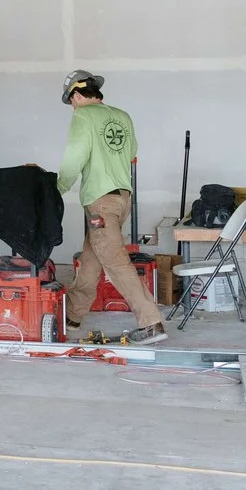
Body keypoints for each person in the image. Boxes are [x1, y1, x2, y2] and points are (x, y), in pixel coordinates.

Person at [54, 70, 165, 339]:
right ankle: (73, 316)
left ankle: (151, 322)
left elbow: (75, 156)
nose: (72, 106)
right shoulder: (122, 116)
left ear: (77, 95)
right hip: (122, 198)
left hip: (101, 202)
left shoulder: (83, 116)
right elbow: (132, 152)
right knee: (91, 259)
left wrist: (57, 189)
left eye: (71, 100)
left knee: (116, 262)